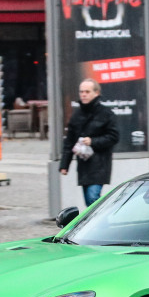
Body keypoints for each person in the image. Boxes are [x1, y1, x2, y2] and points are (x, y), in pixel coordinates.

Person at [59, 78, 119, 207]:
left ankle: (107, 220)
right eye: (81, 92)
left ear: (96, 93)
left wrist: (93, 141)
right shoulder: (77, 115)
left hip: (100, 164)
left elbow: (113, 137)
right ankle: (101, 223)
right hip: (84, 165)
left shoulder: (106, 114)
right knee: (89, 204)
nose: (83, 94)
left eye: (87, 91)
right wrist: (64, 164)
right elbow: (69, 142)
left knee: (93, 198)